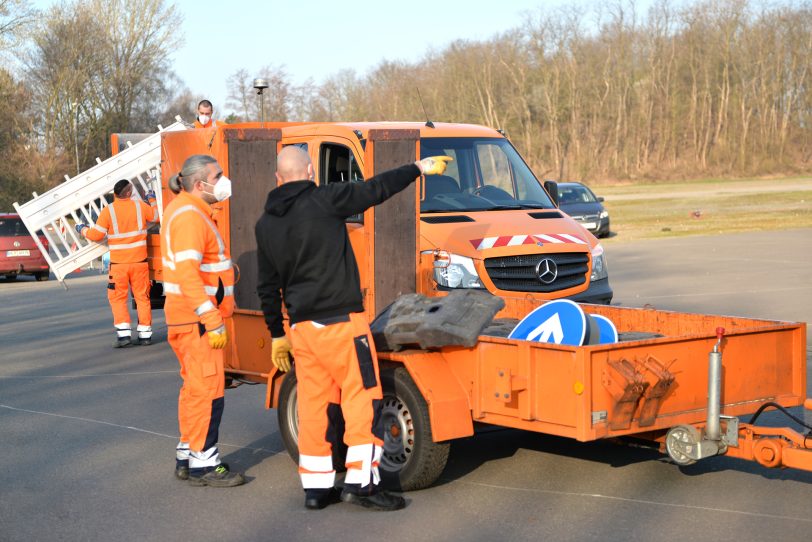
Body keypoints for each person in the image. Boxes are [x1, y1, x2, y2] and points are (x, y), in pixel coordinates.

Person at [255, 146, 451, 511]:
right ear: (310, 170)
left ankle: (316, 489)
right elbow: (376, 188)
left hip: (302, 330)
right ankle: (362, 484)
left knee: (314, 407)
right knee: (362, 399)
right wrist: (418, 168)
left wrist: (277, 333)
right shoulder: (324, 200)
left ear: (277, 179)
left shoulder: (265, 224)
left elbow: (267, 286)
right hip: (342, 323)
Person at [161, 154, 245, 487]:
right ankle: (204, 463)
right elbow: (187, 273)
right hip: (197, 320)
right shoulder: (191, 217)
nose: (224, 180)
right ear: (200, 184)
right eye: (219, 175)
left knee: (195, 390)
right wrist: (210, 316)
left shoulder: (185, 211)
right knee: (209, 390)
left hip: (187, 318)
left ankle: (188, 453)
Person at [76, 179, 158, 347]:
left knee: (118, 298)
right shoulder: (139, 207)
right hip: (139, 263)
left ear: (115, 194)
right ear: (129, 193)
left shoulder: (108, 211)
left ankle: (124, 337)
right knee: (142, 298)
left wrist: (81, 229)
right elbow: (156, 217)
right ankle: (145, 336)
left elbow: (96, 235)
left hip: (119, 265)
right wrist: (152, 199)